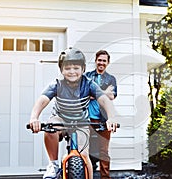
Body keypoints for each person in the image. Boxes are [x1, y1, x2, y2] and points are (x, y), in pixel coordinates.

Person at [28, 47, 118, 179]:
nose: (72, 72)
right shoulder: (57, 84)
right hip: (61, 119)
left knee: (85, 156)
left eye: (76, 68)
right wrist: (34, 117)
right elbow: (42, 100)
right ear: (61, 70)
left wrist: (111, 118)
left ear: (83, 69)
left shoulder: (89, 84)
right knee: (50, 127)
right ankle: (53, 165)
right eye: (67, 68)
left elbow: (104, 100)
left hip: (81, 123)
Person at [86, 50, 117, 179]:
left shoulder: (111, 79)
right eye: (99, 60)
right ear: (96, 61)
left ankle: (105, 177)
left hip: (104, 120)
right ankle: (86, 175)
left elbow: (112, 95)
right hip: (88, 119)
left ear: (108, 63)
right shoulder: (87, 76)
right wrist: (103, 92)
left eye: (104, 61)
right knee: (85, 150)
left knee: (103, 151)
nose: (101, 63)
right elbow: (84, 93)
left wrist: (95, 93)